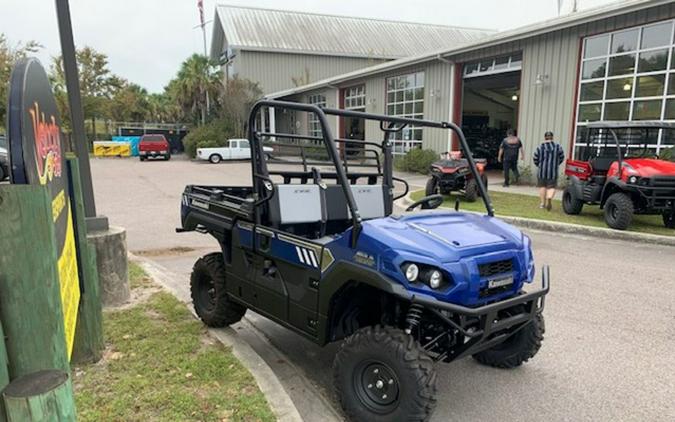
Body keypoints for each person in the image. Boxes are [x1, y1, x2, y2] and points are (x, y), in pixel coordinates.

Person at [533, 131, 565, 211]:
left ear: (545, 138)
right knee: (552, 187)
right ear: (552, 137)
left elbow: (535, 158)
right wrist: (556, 164)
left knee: (542, 187)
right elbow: (561, 157)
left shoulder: (540, 147)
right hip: (553, 171)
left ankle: (542, 204)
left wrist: (539, 165)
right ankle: (549, 198)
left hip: (542, 171)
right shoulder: (558, 147)